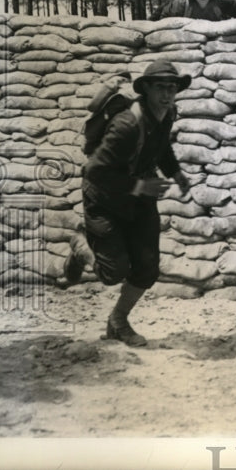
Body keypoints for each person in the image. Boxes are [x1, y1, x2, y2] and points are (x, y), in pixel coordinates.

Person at [62, 61, 193, 346]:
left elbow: (160, 147)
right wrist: (139, 186)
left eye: (172, 88)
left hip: (139, 195)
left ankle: (118, 322)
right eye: (160, 88)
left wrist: (176, 173)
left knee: (148, 267)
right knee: (113, 273)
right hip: (104, 196)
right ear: (145, 89)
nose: (167, 95)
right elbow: (95, 170)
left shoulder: (166, 113)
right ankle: (81, 245)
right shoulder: (126, 124)